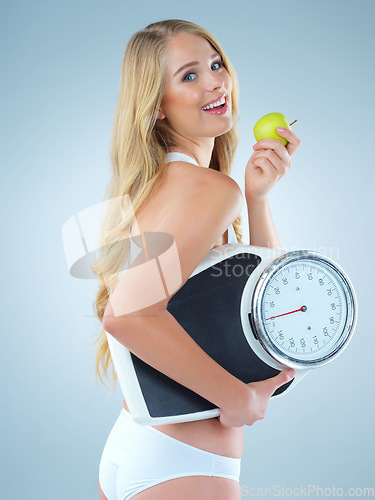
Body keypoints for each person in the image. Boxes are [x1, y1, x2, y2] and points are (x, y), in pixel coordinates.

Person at [93, 18, 302, 500]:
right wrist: (238, 399)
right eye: (189, 76)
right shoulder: (206, 189)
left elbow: (261, 306)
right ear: (157, 107)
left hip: (136, 446)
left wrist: (257, 199)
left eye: (215, 64)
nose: (215, 81)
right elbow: (125, 316)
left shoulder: (156, 184)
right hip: (186, 464)